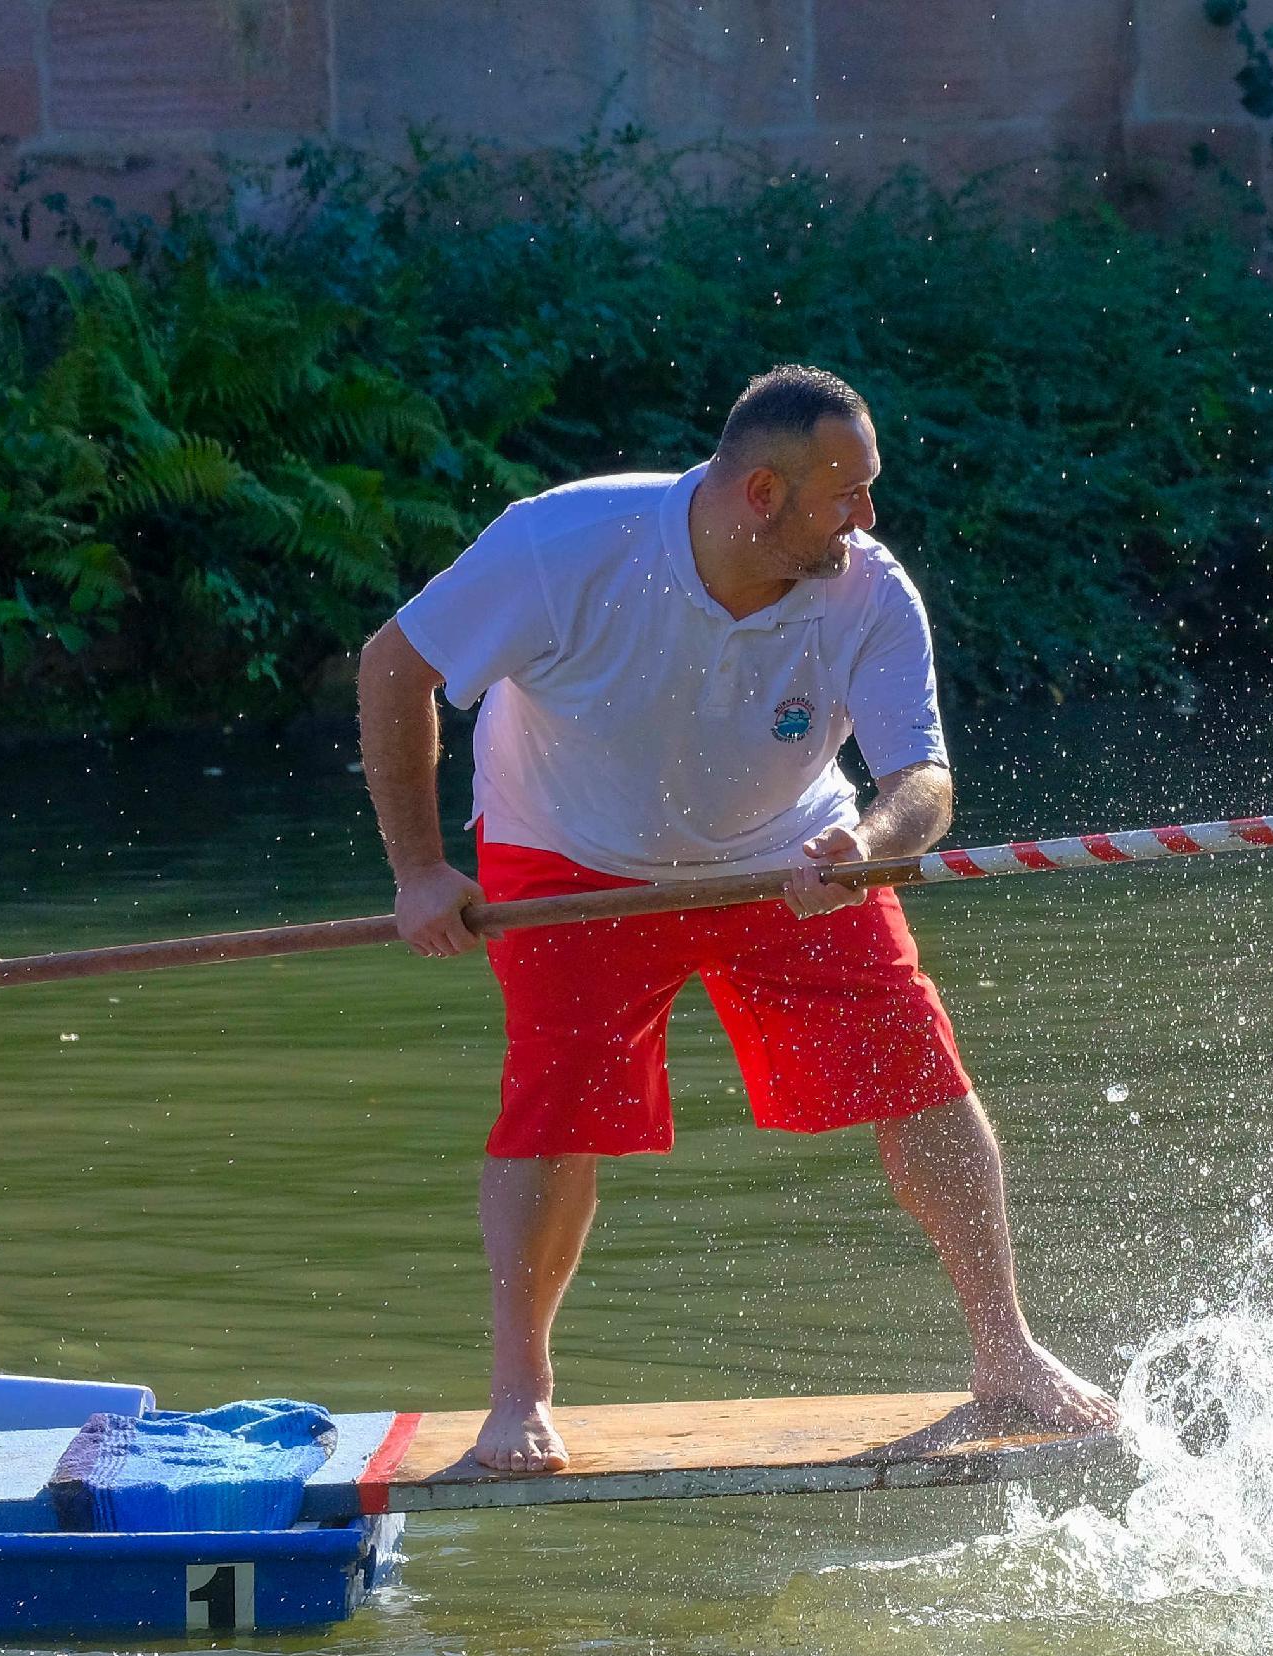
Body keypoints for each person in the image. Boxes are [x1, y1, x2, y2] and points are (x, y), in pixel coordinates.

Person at [357, 364, 1117, 1472]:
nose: (868, 518)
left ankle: (1006, 1350)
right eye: (846, 493)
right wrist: (420, 869)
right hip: (570, 850)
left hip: (790, 853)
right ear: (762, 494)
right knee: (556, 1102)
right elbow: (395, 665)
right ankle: (521, 1392)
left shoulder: (870, 589)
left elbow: (923, 781)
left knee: (920, 1065)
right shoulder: (562, 545)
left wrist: (870, 846)